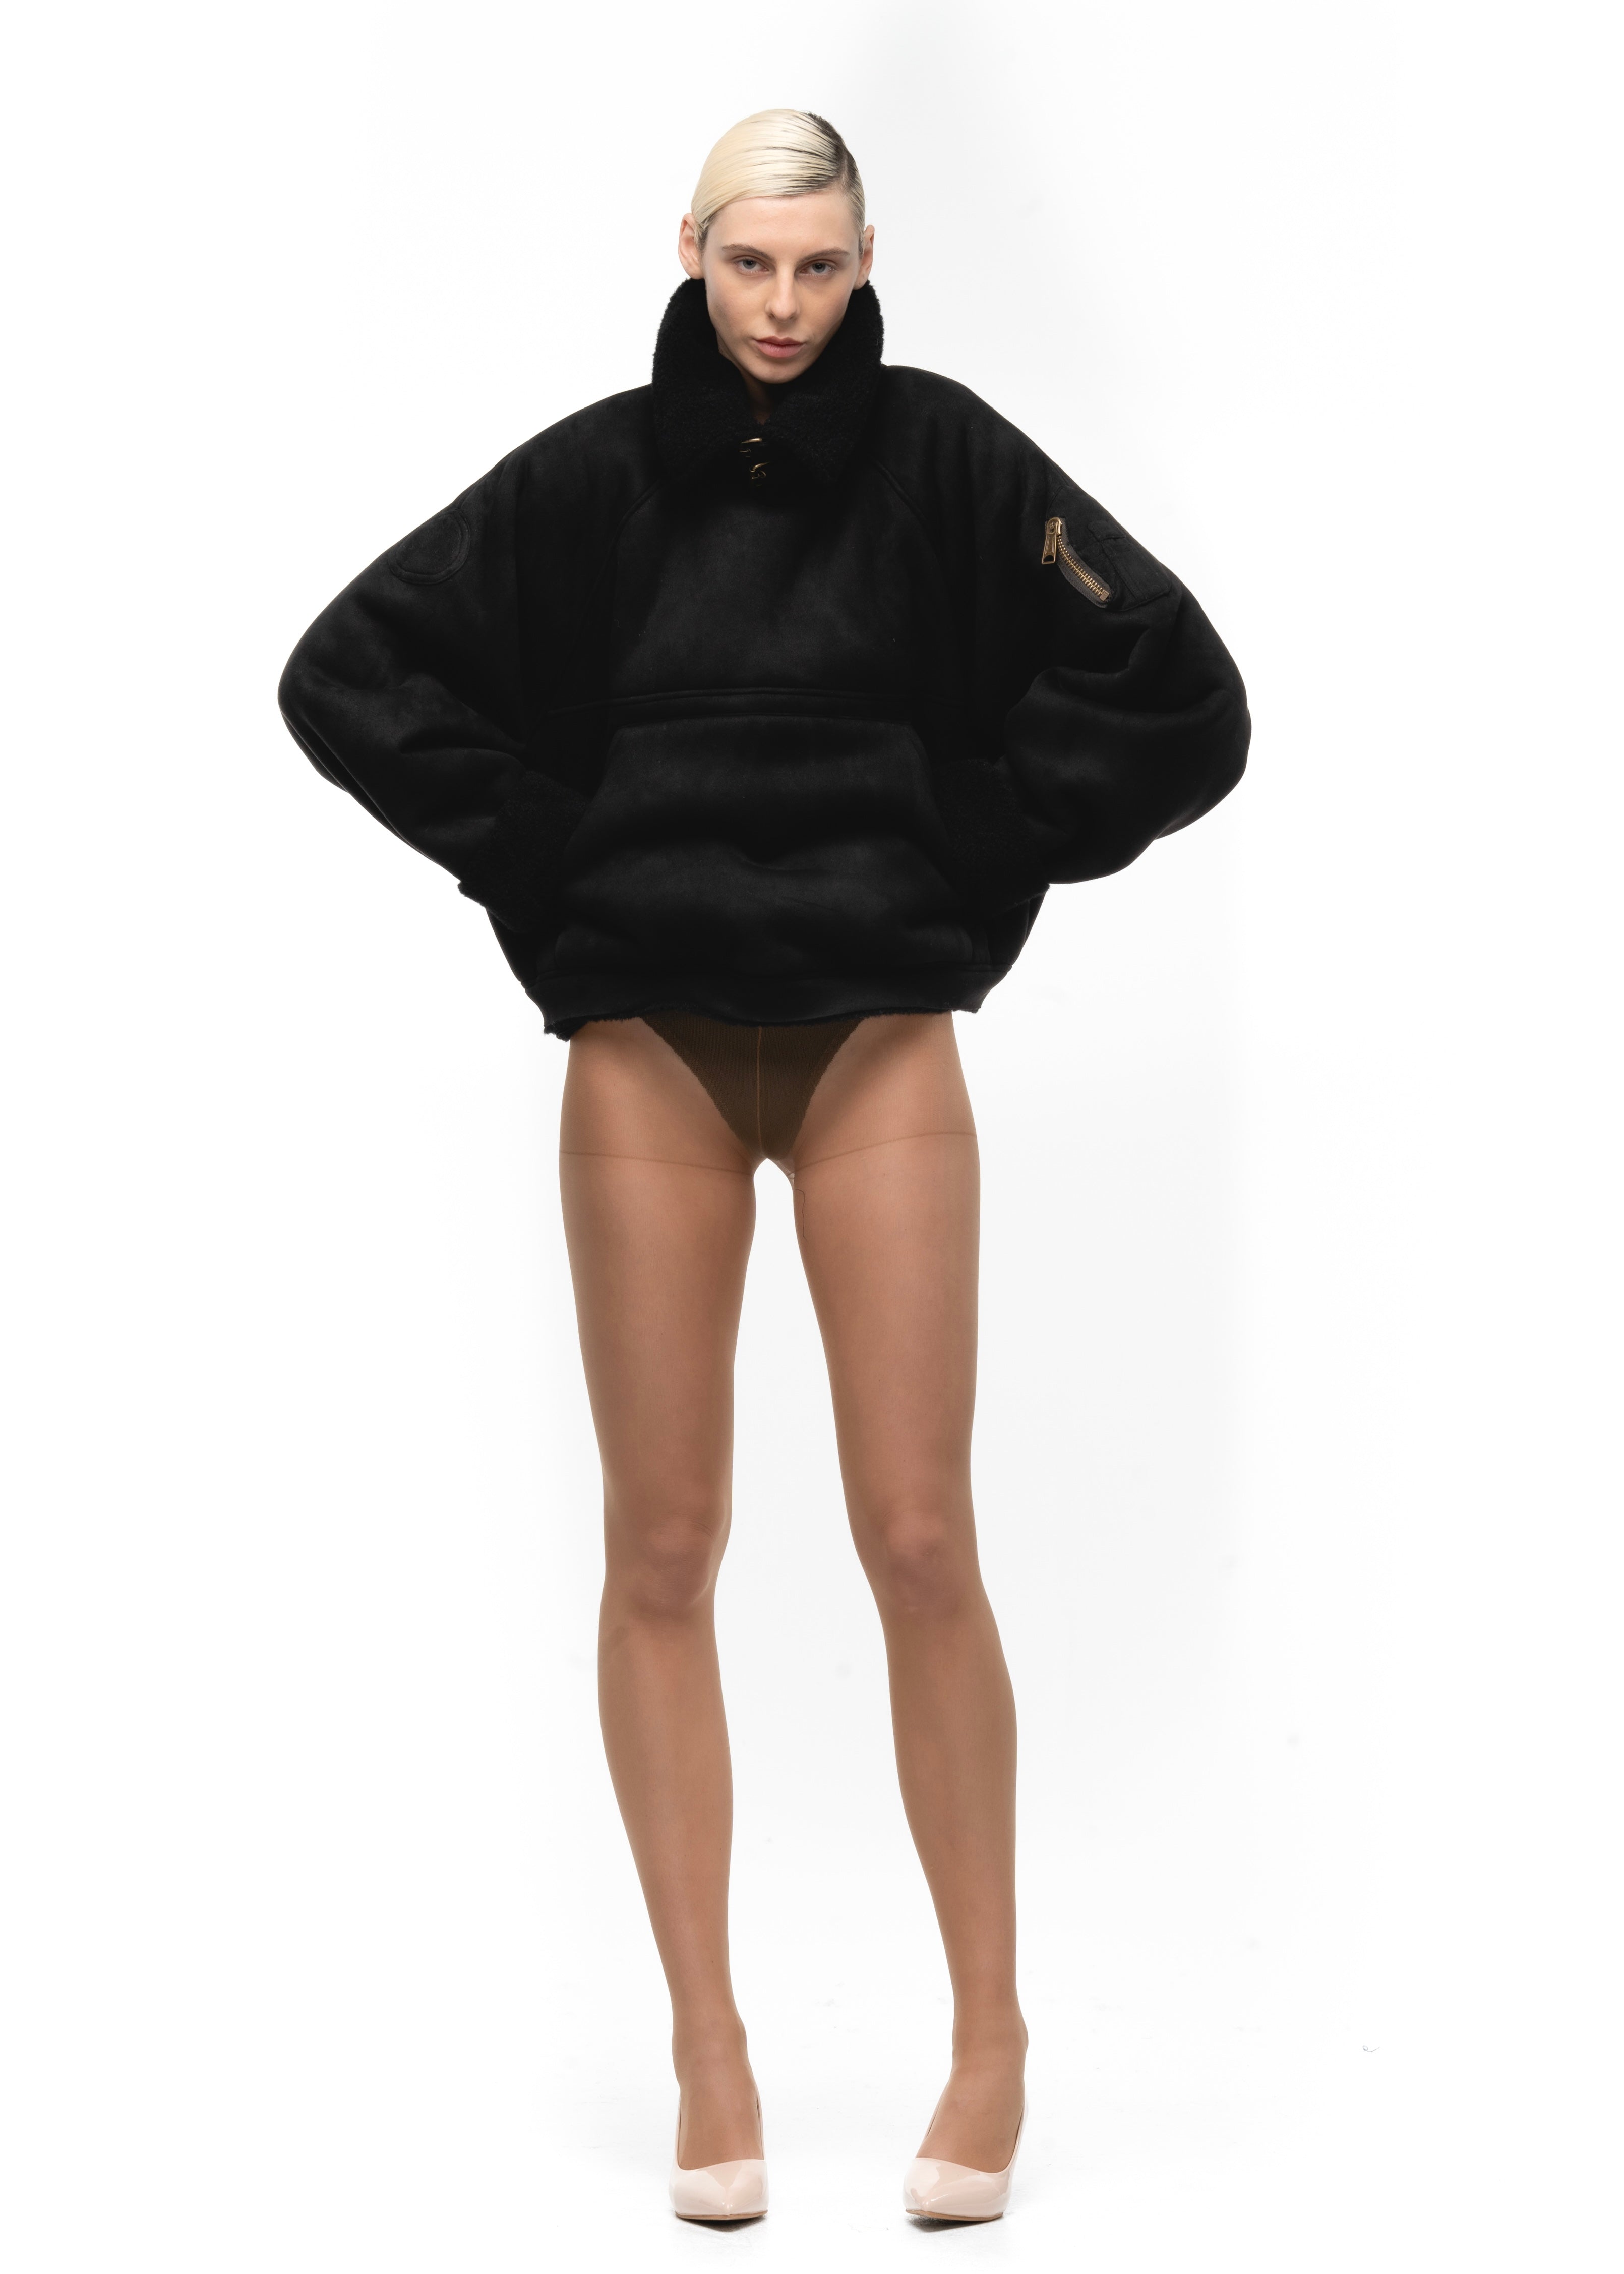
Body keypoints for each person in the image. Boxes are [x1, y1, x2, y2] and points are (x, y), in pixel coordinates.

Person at [278, 108, 1249, 2224]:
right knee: (660, 1548)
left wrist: (976, 830)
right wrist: (545, 848)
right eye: (748, 266)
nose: (783, 308)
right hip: (649, 1051)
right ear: (691, 252)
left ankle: (989, 2039)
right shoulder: (587, 482)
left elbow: (1184, 695)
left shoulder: (951, 461)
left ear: (867, 257)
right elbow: (342, 671)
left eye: (817, 267)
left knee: (918, 1534)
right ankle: (706, 2044)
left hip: (874, 1039)